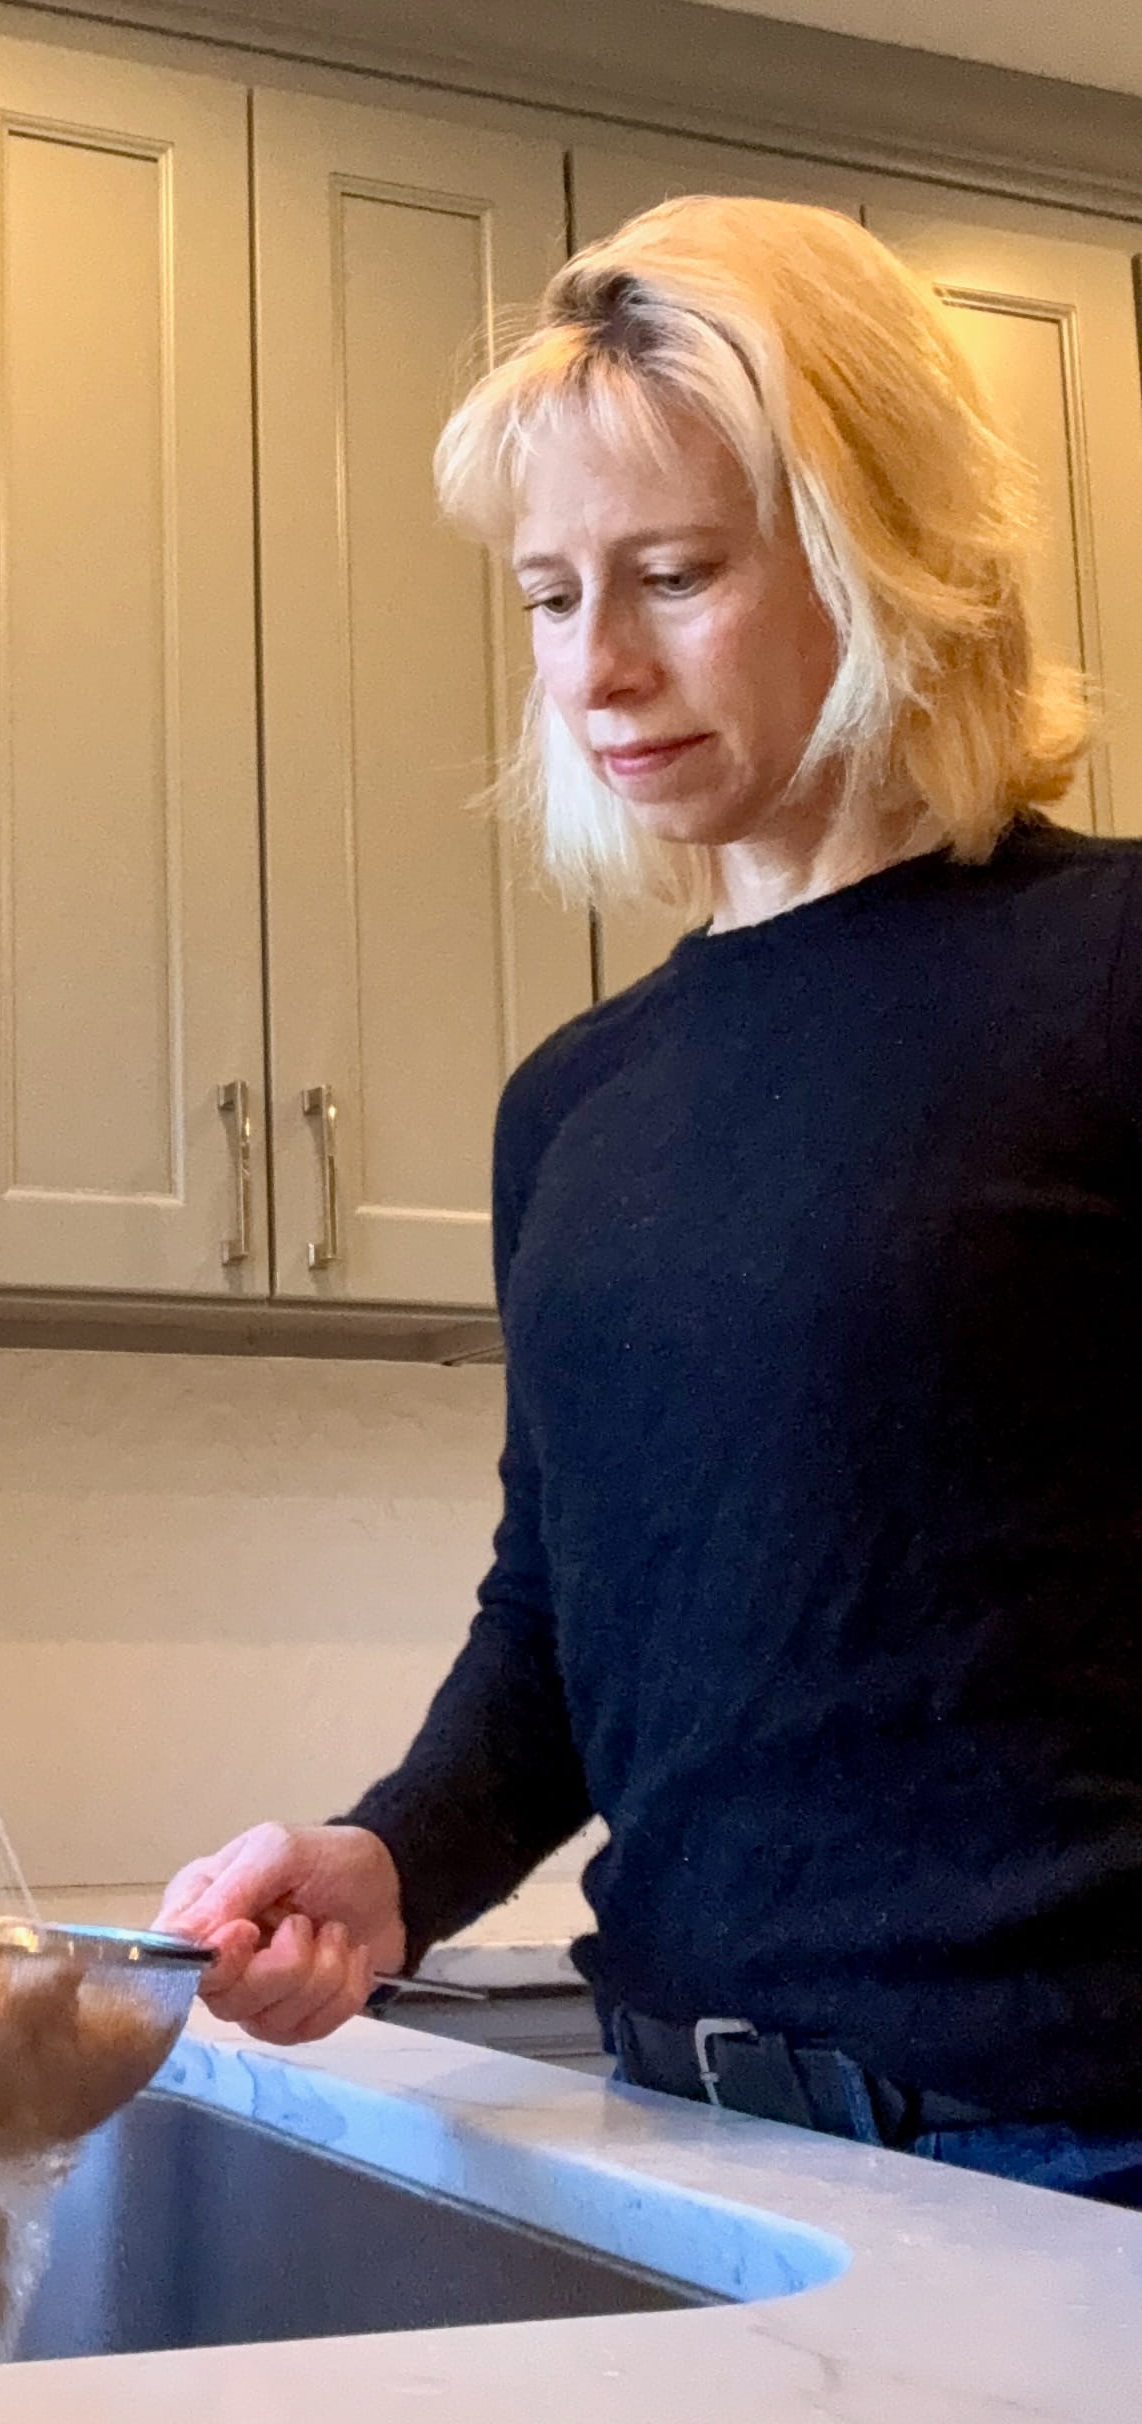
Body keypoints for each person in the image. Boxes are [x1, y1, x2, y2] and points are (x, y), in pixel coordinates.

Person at [155, 195, 1142, 2207]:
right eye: (545, 596)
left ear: (883, 559)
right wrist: (384, 1864)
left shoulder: (1110, 970)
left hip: (1075, 2159)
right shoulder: (573, 1107)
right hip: (680, 2134)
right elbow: (562, 1623)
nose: (596, 665)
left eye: (673, 575)